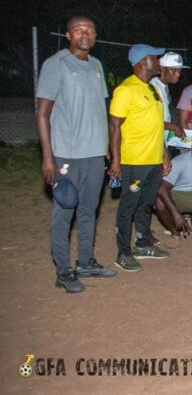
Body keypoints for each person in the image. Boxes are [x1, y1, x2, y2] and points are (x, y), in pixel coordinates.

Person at [36, 16, 116, 292]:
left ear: (95, 36)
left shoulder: (96, 66)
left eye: (90, 30)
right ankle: (63, 270)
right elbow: (43, 113)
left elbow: (99, 108)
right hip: (66, 154)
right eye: (79, 30)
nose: (85, 34)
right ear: (68, 35)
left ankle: (86, 261)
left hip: (94, 154)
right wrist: (48, 157)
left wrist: (105, 146)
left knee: (88, 210)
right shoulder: (56, 64)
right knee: (64, 210)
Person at [109, 44, 173, 272]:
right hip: (134, 161)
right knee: (129, 206)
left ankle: (143, 243)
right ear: (141, 62)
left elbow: (156, 126)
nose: (158, 62)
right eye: (154, 58)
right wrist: (116, 160)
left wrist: (164, 154)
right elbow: (115, 126)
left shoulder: (152, 89)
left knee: (145, 204)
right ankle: (123, 253)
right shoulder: (126, 90)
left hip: (153, 159)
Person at [150, 51, 189, 143]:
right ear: (163, 69)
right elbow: (151, 121)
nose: (178, 74)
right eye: (173, 70)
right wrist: (174, 127)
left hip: (161, 141)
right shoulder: (153, 88)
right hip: (153, 142)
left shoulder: (164, 86)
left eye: (179, 70)